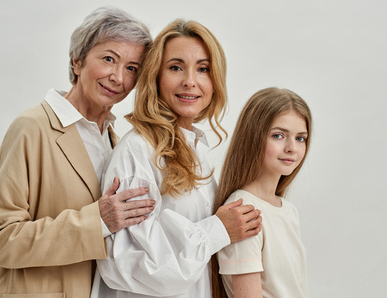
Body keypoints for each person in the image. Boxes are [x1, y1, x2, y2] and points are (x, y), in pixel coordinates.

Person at [0, 7, 156, 298]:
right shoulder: (32, 128)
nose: (117, 77)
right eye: (109, 59)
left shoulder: (116, 141)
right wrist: (96, 222)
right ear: (77, 60)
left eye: (132, 68)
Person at [92, 19, 263, 298]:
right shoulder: (138, 151)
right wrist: (218, 229)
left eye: (203, 69)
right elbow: (134, 264)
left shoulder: (195, 149)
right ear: (155, 76)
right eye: (175, 67)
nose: (190, 81)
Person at [214, 87, 312, 298]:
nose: (291, 148)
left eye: (300, 138)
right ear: (253, 136)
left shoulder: (288, 210)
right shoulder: (243, 210)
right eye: (278, 136)